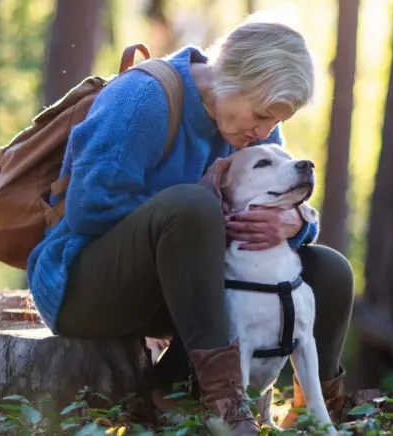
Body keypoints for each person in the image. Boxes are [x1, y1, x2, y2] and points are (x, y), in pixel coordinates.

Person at [26, 16, 354, 434]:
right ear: (232, 76)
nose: (265, 131)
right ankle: (224, 402)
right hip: (87, 286)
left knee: (327, 270)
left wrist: (292, 224)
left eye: (274, 121)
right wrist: (202, 218)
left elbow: (284, 193)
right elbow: (89, 208)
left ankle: (318, 411)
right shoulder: (143, 98)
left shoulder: (251, 132)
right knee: (193, 204)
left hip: (182, 295)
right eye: (261, 115)